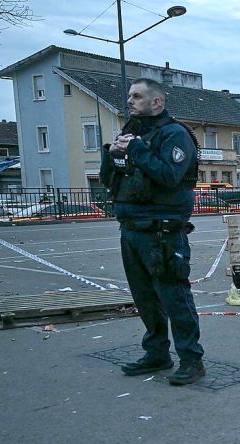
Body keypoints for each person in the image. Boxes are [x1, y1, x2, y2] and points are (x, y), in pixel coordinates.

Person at [100, 77, 206, 386]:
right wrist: (114, 153)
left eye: (137, 96)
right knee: (145, 298)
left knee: (174, 296)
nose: (129, 101)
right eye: (129, 96)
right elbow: (109, 180)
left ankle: (191, 359)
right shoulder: (131, 133)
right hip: (131, 230)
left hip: (163, 231)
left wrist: (138, 150)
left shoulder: (175, 135)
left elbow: (170, 175)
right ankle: (157, 352)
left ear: (156, 102)